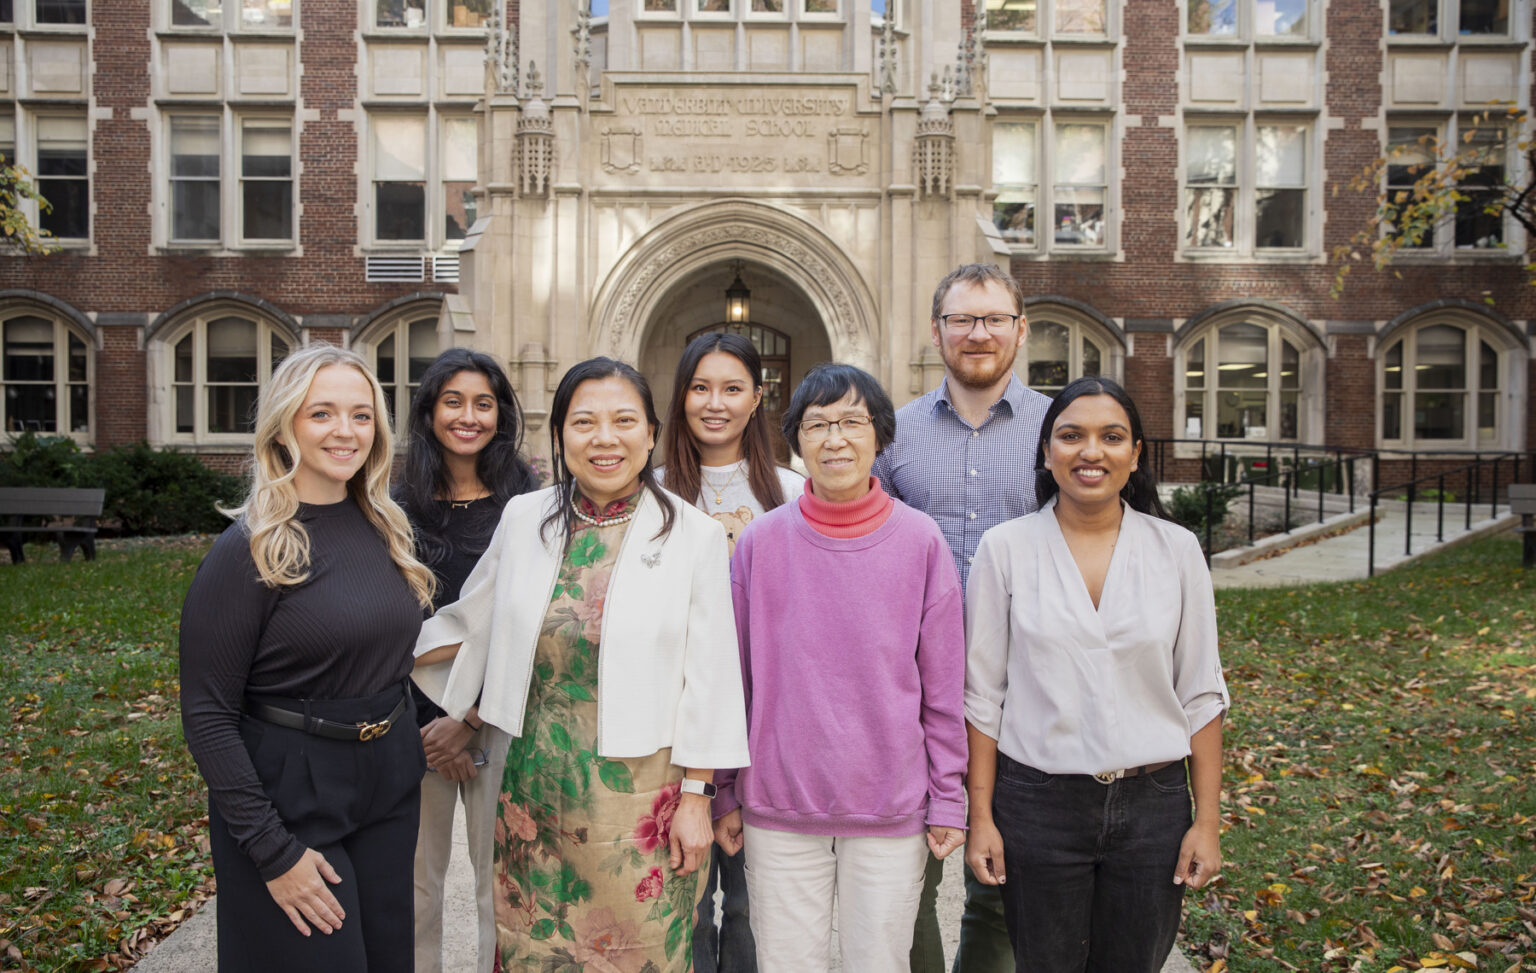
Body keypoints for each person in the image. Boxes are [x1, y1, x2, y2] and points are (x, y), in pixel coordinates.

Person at [412, 357, 750, 972]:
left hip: (643, 803)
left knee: (638, 954)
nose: (604, 438)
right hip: (530, 796)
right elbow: (471, 625)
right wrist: (368, 645)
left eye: (624, 420)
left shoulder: (694, 536)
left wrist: (699, 798)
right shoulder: (524, 519)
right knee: (531, 950)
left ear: (650, 433)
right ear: (561, 434)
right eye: (584, 421)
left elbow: (712, 675)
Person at [179, 343, 435, 973]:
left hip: (389, 782)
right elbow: (207, 712)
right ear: (285, 424)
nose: (345, 431)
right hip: (291, 789)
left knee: (386, 961)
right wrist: (270, 850)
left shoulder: (384, 526)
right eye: (322, 413)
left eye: (361, 414)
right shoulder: (251, 548)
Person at [963, 377, 1229, 972]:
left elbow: (1202, 694)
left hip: (1153, 805)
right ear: (1046, 450)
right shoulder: (1004, 550)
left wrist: (1206, 821)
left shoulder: (1177, 550)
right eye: (1071, 436)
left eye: (1112, 437)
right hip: (1037, 803)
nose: (1091, 452)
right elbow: (983, 699)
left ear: (1135, 455)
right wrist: (981, 818)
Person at [713, 362, 968, 973]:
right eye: (817, 424)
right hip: (779, 806)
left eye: (852, 422)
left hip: (890, 807)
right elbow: (733, 681)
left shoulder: (921, 542)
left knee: (878, 962)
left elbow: (943, 689)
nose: (835, 439)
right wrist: (724, 790)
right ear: (795, 440)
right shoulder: (759, 544)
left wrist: (948, 798)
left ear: (879, 435)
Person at [869, 262, 1052, 973]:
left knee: (1004, 882)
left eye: (994, 318)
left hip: (1027, 684)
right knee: (908, 880)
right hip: (916, 690)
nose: (978, 334)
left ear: (1020, 329)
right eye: (962, 320)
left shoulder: (1058, 429)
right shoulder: (894, 435)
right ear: (937, 330)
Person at [659, 331, 803, 973]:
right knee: (681, 896)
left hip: (765, 728)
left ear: (757, 397)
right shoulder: (652, 492)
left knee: (751, 904)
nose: (714, 403)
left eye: (732, 388)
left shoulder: (795, 493)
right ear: (681, 396)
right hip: (673, 729)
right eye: (700, 387)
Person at [396, 348, 539, 973]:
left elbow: (533, 623)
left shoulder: (530, 505)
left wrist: (470, 717)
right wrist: (430, 725)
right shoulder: (391, 507)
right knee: (414, 891)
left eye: (484, 403)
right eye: (453, 401)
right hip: (412, 729)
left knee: (501, 887)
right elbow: (389, 626)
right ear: (429, 412)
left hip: (498, 716)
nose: (468, 416)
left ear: (501, 415)